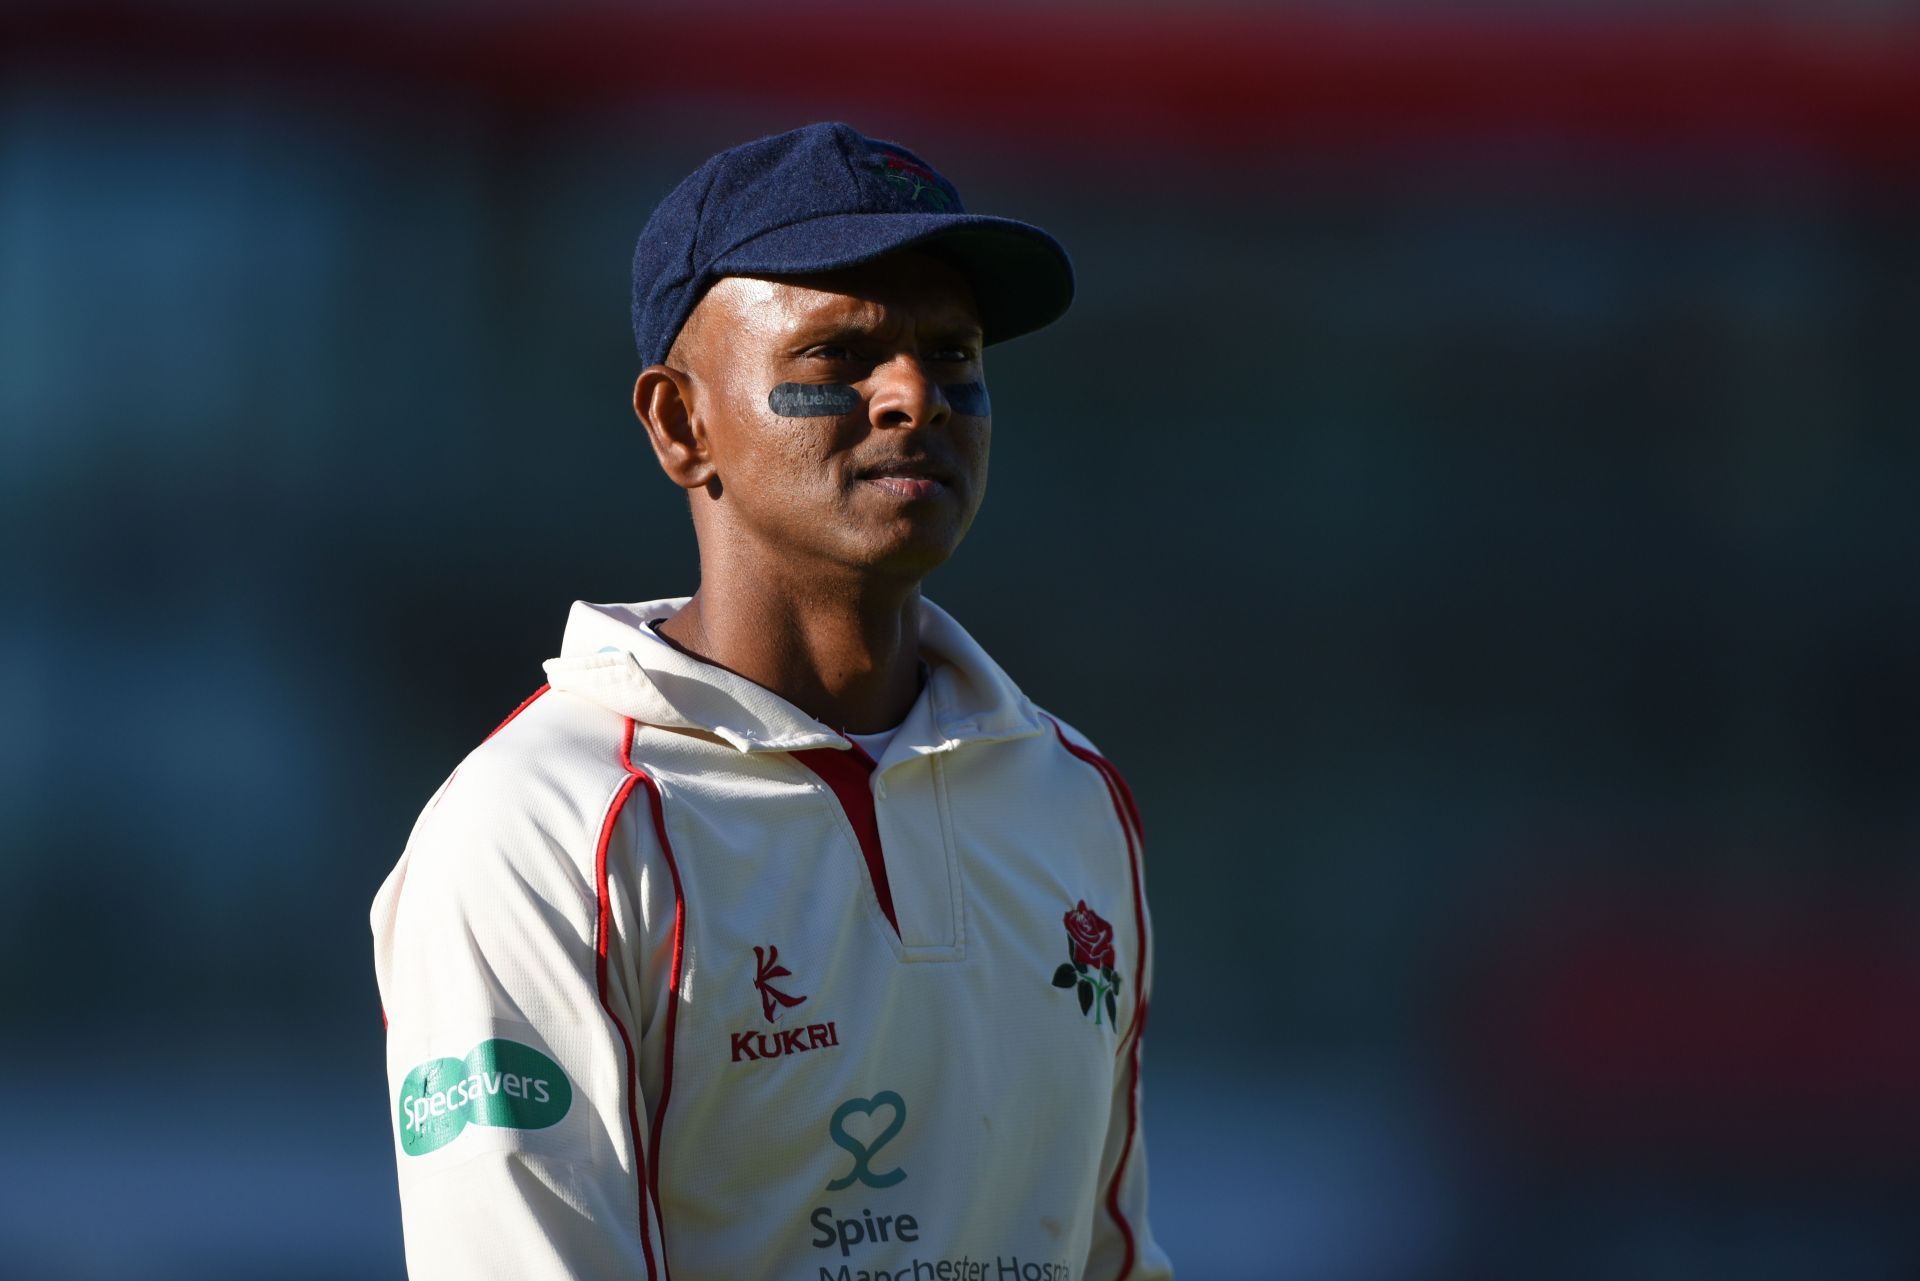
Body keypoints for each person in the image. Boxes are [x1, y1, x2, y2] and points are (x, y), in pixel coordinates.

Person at [371, 121, 1172, 1281]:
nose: (917, 396)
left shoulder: (1072, 795)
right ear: (681, 425)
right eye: (838, 357)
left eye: (954, 354)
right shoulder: (535, 827)